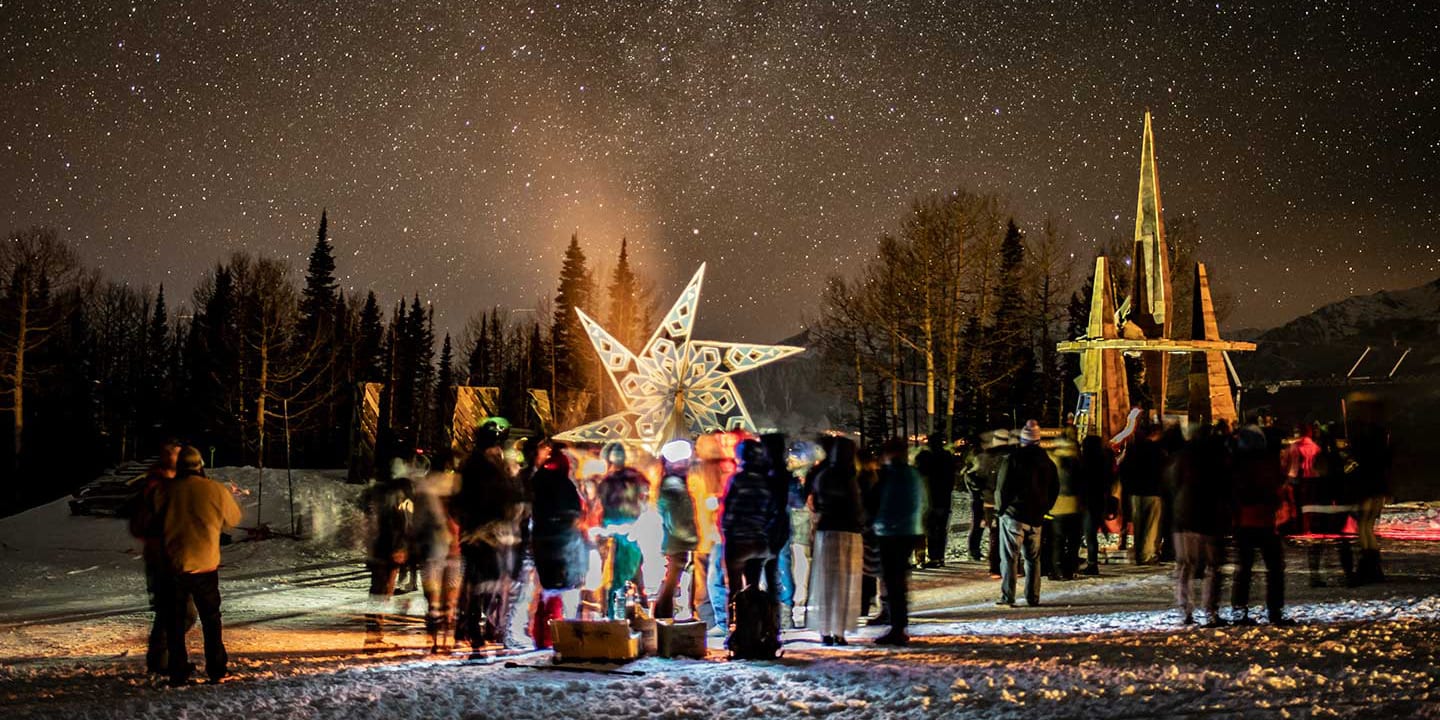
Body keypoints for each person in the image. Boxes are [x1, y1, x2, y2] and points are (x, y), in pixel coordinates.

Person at [152, 446, 242, 686]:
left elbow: (154, 523)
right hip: (205, 566)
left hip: (175, 566)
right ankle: (216, 668)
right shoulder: (214, 489)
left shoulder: (165, 491)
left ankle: (178, 671)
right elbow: (233, 520)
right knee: (211, 619)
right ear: (200, 465)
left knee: (175, 620)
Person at [453, 420, 524, 649]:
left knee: (480, 580)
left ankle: (469, 625)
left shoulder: (476, 464)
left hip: (481, 531)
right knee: (482, 579)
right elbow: (496, 496)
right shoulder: (483, 467)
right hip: (484, 531)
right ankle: (472, 626)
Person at [126, 439, 189, 674]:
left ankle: (164, 659)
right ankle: (161, 661)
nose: (180, 460)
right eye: (176, 454)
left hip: (179, 557)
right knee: (169, 611)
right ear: (166, 457)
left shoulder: (181, 484)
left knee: (180, 612)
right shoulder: (154, 486)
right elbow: (139, 525)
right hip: (161, 559)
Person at [1168, 423, 1231, 627]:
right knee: (1212, 567)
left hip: (1184, 516)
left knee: (1185, 565)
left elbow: (1171, 484)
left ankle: (1185, 610)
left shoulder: (1182, 456)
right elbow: (1225, 486)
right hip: (1209, 517)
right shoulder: (1218, 456)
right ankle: (1210, 610)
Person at [1230, 425, 1291, 626]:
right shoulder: (1267, 464)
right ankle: (1274, 610)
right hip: (1264, 521)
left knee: (1244, 569)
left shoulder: (1236, 464)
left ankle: (1240, 609)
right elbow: (1274, 488)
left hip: (1244, 522)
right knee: (1274, 568)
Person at [529, 442, 588, 647]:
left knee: (548, 589)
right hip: (563, 540)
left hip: (542, 538)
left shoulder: (536, 481)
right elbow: (576, 513)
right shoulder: (565, 484)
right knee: (565, 587)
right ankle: (563, 634)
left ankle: (543, 635)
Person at [868, 437, 926, 646]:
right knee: (898, 580)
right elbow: (921, 502)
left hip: (890, 533)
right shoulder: (913, 475)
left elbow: (876, 502)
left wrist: (874, 522)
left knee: (893, 582)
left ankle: (898, 627)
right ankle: (898, 625)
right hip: (909, 531)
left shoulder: (889, 475)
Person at [995, 420, 1058, 608]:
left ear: (1023, 439)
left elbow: (1002, 488)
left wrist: (1001, 509)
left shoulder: (1012, 459)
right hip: (1036, 518)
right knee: (1033, 559)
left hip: (1014, 515)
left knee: (1009, 558)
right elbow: (1055, 489)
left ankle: (1008, 596)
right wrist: (1045, 508)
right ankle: (1033, 597)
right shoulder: (1048, 463)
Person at [809, 436, 864, 646]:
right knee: (844, 583)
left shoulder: (823, 475)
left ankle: (825, 630)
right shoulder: (850, 477)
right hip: (848, 533)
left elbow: (817, 502)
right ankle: (839, 631)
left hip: (827, 531)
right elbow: (857, 506)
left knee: (826, 583)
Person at [412, 451, 462, 653]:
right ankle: (447, 640)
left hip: (432, 546)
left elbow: (417, 520)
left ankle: (433, 639)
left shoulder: (425, 487)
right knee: (451, 595)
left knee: (432, 597)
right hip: (457, 545)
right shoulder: (459, 484)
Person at [364, 453, 416, 646]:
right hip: (389, 548)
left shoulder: (376, 491)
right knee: (382, 590)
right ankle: (374, 633)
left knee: (379, 590)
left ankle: (375, 631)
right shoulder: (400, 491)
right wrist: (401, 546)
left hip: (379, 547)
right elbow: (402, 522)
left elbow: (369, 521)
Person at [596, 441, 651, 619]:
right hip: (629, 528)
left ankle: (616, 610)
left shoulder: (607, 480)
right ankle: (638, 605)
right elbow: (645, 498)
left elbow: (601, 504)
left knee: (618, 571)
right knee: (631, 567)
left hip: (616, 529)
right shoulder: (635, 477)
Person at [720, 439, 777, 607]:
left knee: (735, 589)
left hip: (739, 540)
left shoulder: (738, 479)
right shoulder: (766, 480)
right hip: (760, 541)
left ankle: (736, 625)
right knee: (753, 587)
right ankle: (755, 625)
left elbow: (730, 510)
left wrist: (726, 529)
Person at [655, 440, 699, 620]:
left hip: (677, 541)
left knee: (674, 580)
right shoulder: (674, 485)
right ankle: (663, 617)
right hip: (679, 542)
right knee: (673, 581)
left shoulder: (674, 483)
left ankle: (665, 617)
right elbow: (677, 520)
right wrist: (693, 538)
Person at [1118, 421, 1166, 565]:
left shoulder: (1133, 450)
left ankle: (1138, 552)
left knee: (1138, 525)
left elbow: (1124, 470)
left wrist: (1127, 488)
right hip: (1153, 491)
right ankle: (1148, 553)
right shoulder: (1158, 451)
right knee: (1152, 526)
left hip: (1135, 492)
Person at [1045, 434, 1083, 580]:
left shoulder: (1052, 461)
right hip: (1075, 506)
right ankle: (1070, 568)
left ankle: (1057, 569)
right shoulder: (1078, 462)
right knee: (1073, 541)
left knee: (1057, 541)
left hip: (1057, 507)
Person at [916, 433, 957, 568]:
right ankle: (940, 557)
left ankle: (934, 557)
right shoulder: (947, 457)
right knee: (941, 529)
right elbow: (952, 477)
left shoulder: (928, 458)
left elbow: (921, 472)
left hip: (932, 498)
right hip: (944, 498)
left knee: (932, 528)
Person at [1078, 435, 1116, 576]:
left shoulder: (1085, 462)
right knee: (1091, 534)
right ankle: (1091, 562)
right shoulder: (1103, 462)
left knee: (1088, 534)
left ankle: (1092, 564)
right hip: (1098, 500)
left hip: (1088, 501)